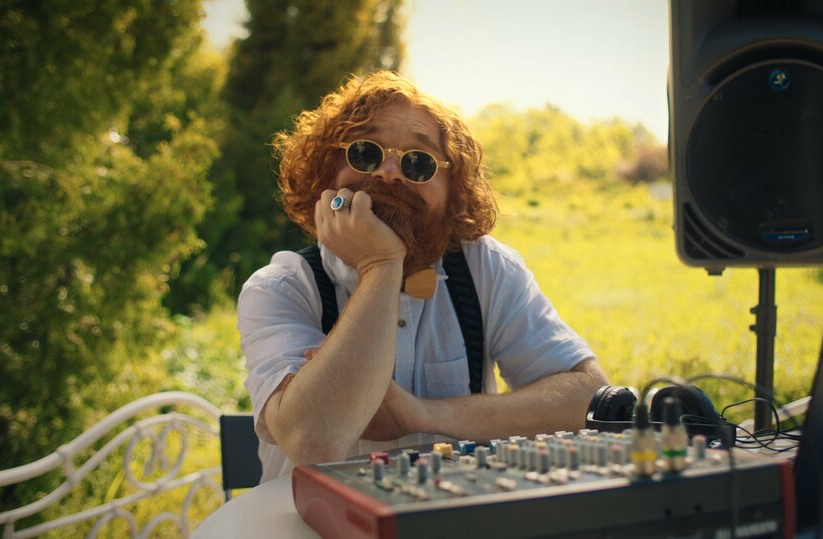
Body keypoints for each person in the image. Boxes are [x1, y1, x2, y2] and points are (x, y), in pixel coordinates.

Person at [238, 70, 610, 481]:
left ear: (454, 192)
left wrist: (424, 414)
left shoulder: (487, 269)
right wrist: (380, 265)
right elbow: (314, 442)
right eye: (365, 152)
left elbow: (588, 396)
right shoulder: (281, 288)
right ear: (327, 172)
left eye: (418, 162)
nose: (389, 173)